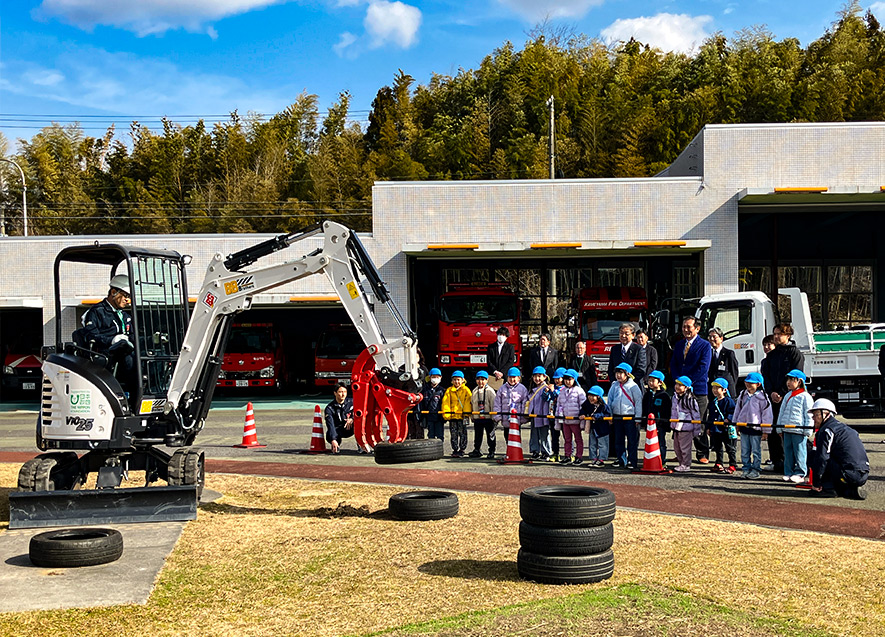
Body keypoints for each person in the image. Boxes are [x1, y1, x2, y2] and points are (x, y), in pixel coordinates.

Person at [74, 273, 136, 391]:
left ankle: (148, 392)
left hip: (123, 351)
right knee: (129, 360)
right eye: (126, 296)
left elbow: (133, 338)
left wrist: (152, 340)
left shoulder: (125, 316)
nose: (128, 301)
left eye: (130, 297)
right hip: (105, 353)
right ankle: (134, 395)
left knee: (152, 356)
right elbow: (91, 336)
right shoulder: (97, 312)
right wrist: (111, 340)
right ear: (113, 292)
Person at [669, 316, 712, 463]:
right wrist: (678, 381)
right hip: (680, 390)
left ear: (697, 328)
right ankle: (681, 452)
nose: (686, 330)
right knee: (680, 422)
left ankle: (702, 453)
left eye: (689, 327)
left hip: (697, 389)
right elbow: (674, 363)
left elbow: (703, 367)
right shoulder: (679, 344)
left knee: (697, 421)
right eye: (684, 327)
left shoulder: (705, 345)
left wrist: (688, 382)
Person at [808, 398, 870, 500]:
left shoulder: (827, 430)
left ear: (826, 414)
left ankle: (827, 489)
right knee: (833, 457)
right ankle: (849, 490)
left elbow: (822, 458)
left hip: (848, 474)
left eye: (816, 414)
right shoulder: (845, 428)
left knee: (815, 455)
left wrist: (816, 483)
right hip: (862, 474)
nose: (813, 418)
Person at [766, 323, 805, 472]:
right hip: (773, 397)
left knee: (788, 430)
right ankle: (777, 460)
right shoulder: (772, 355)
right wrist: (771, 392)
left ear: (788, 336)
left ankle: (793, 462)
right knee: (774, 429)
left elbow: (796, 375)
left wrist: (782, 393)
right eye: (774, 334)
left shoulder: (795, 353)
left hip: (789, 397)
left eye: (779, 334)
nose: (776, 336)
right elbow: (766, 376)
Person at [776, 369, 814, 483]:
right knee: (788, 452)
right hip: (786, 429)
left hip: (799, 430)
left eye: (792, 380)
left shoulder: (805, 396)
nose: (788, 382)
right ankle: (788, 472)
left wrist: (808, 429)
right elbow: (781, 412)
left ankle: (800, 473)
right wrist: (779, 427)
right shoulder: (787, 395)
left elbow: (809, 414)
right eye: (788, 379)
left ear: (799, 382)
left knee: (800, 452)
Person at [732, 372, 773, 479]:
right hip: (744, 427)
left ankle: (755, 469)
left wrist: (766, 430)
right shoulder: (742, 395)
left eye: (751, 383)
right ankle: (746, 468)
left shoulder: (763, 397)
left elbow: (767, 415)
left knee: (756, 451)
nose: (748, 385)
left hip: (756, 429)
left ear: (758, 384)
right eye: (747, 383)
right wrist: (736, 424)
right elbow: (737, 410)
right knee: (744, 450)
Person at [607, 362, 643, 469]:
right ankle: (621, 459)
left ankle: (632, 460)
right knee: (618, 440)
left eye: (621, 373)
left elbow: (638, 402)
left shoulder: (633, 386)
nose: (618, 375)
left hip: (630, 417)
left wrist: (638, 417)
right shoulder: (614, 386)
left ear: (627, 374)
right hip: (617, 416)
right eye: (617, 373)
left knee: (632, 441)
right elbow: (610, 400)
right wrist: (610, 415)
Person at [705, 378, 737, 473]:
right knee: (717, 447)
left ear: (724, 390)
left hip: (725, 428)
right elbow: (710, 416)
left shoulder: (728, 401)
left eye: (717, 388)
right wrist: (708, 427)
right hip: (715, 428)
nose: (714, 390)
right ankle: (719, 463)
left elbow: (732, 411)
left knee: (730, 447)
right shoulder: (713, 402)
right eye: (713, 388)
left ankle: (732, 464)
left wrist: (728, 419)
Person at [670, 376, 701, 472]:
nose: (677, 387)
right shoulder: (675, 397)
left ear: (686, 387)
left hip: (686, 427)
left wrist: (697, 429)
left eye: (680, 385)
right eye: (676, 384)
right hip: (676, 426)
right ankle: (681, 463)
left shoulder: (690, 399)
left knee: (685, 448)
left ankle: (686, 464)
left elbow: (696, 415)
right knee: (677, 447)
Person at [555, 369, 586, 465]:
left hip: (575, 420)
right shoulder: (562, 391)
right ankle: (567, 455)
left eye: (570, 379)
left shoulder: (579, 391)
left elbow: (583, 406)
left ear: (574, 380)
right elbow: (558, 406)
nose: (567, 381)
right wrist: (558, 419)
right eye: (566, 379)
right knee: (567, 439)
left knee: (578, 439)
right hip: (565, 420)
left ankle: (579, 456)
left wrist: (582, 421)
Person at [642, 370, 672, 464]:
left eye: (653, 381)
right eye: (649, 380)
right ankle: (650, 459)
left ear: (660, 382)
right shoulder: (647, 395)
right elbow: (644, 408)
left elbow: (667, 411)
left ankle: (661, 460)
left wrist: (666, 424)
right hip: (649, 423)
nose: (650, 383)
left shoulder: (664, 396)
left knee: (660, 442)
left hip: (660, 424)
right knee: (650, 442)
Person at [442, 370, 472, 457]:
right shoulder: (449, 390)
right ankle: (455, 449)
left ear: (463, 380)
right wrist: (447, 414)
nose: (456, 381)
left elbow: (468, 402)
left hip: (463, 416)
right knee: (453, 434)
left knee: (463, 433)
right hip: (453, 416)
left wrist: (466, 413)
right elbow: (446, 402)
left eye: (458, 379)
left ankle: (462, 449)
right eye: (454, 379)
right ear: (452, 381)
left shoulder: (466, 390)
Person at [525, 366, 552, 460]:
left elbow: (548, 398)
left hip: (543, 415)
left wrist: (547, 392)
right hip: (534, 415)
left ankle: (546, 452)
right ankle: (535, 451)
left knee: (544, 434)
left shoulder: (546, 388)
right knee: (534, 434)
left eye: (540, 376)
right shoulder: (532, 388)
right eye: (535, 376)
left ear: (545, 377)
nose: (537, 378)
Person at [469, 370, 497, 458]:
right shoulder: (474, 391)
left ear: (487, 380)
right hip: (478, 417)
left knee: (490, 435)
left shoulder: (490, 391)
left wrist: (494, 416)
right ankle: (477, 449)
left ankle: (491, 450)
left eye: (483, 379)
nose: (480, 381)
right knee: (477, 435)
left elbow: (493, 404)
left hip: (488, 417)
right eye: (478, 379)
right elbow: (472, 404)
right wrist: (473, 416)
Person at [493, 366, 528, 437]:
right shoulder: (502, 388)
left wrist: (523, 417)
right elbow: (497, 403)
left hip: (517, 419)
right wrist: (498, 416)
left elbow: (525, 403)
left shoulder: (522, 389)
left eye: (514, 377)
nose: (512, 379)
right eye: (510, 377)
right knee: (507, 436)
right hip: (506, 418)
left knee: (516, 438)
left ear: (519, 378)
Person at [582, 385, 611, 467]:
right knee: (592, 444)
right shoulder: (587, 404)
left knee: (603, 444)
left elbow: (608, 414)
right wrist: (582, 414)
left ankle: (601, 459)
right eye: (589, 395)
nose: (590, 398)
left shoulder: (604, 406)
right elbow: (582, 409)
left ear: (598, 397)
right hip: (592, 428)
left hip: (602, 429)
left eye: (593, 396)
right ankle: (593, 459)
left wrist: (598, 416)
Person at [324, 383, 354, 454]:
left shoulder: (352, 402)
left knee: (360, 423)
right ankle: (336, 445)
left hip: (352, 427)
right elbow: (330, 425)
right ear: (335, 393)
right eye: (340, 392)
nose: (343, 394)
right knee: (329, 434)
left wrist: (352, 419)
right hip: (339, 429)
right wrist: (333, 439)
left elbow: (360, 414)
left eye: (345, 392)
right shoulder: (330, 408)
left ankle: (361, 445)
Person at [707, 327, 739, 396]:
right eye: (710, 337)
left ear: (721, 338)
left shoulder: (729, 353)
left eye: (714, 336)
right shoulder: (708, 353)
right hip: (713, 390)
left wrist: (731, 386)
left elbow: (734, 373)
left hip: (726, 389)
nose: (712, 339)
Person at [544, 367, 567, 461]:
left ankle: (569, 453)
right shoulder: (552, 387)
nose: (557, 380)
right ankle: (555, 453)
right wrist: (546, 392)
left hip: (563, 416)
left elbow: (558, 397)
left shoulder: (564, 389)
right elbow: (546, 399)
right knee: (554, 436)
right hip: (552, 415)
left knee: (567, 436)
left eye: (559, 378)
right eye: (555, 378)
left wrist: (553, 391)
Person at [420, 367, 446, 442]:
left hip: (439, 417)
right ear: (430, 377)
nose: (435, 379)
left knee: (440, 436)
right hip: (429, 417)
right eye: (433, 377)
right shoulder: (425, 390)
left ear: (441, 378)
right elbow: (422, 403)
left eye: (437, 377)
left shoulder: (442, 391)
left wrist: (443, 417)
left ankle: (440, 450)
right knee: (430, 435)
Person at [486, 326, 516, 390]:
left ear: (506, 337)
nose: (501, 336)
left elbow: (511, 361)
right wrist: (495, 371)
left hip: (505, 375)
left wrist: (501, 372)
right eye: (499, 334)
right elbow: (489, 361)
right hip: (493, 376)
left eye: (503, 335)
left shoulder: (510, 347)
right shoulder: (491, 347)